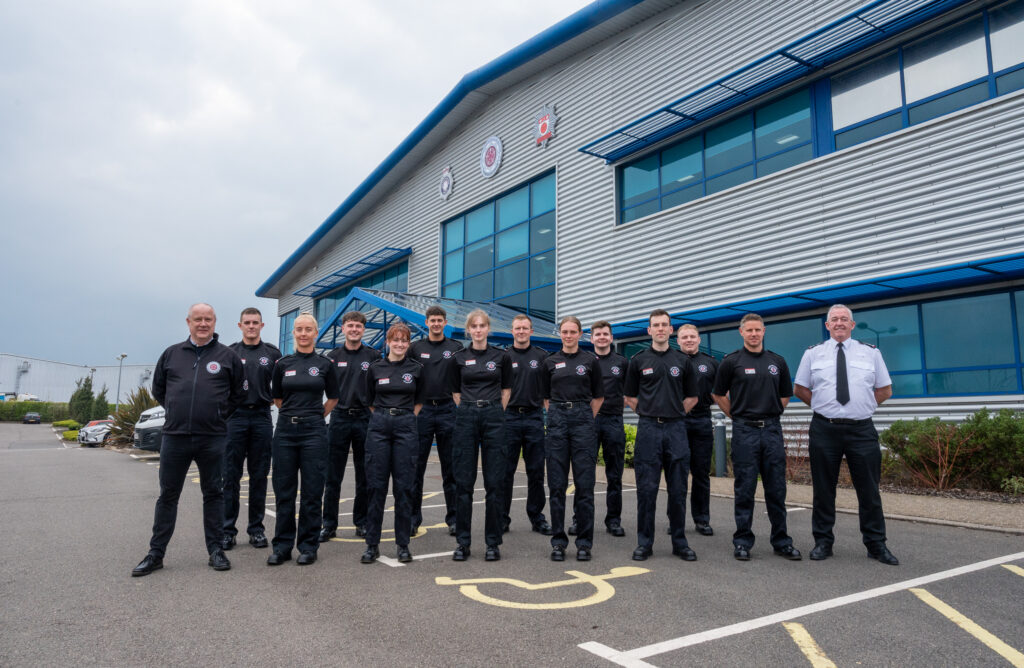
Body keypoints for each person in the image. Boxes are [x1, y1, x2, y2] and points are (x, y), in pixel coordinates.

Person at [132, 303, 245, 576]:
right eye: (198, 319)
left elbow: (238, 394)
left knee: (214, 494)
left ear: (215, 322)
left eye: (208, 319)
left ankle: (216, 550)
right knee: (168, 496)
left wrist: (218, 414)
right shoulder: (171, 354)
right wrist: (175, 410)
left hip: (213, 438)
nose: (203, 323)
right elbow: (159, 389)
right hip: (175, 437)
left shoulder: (228, 356)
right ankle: (155, 554)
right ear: (188, 322)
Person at [794, 304, 898, 565]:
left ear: (852, 325)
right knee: (823, 490)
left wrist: (861, 407)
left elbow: (884, 390)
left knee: (869, 491)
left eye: (844, 319)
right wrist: (823, 407)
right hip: (824, 429)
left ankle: (876, 545)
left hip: (861, 429)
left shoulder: (871, 353)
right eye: (834, 319)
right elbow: (800, 388)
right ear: (827, 326)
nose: (839, 323)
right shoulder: (813, 354)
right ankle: (823, 542)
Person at [711, 313, 801, 562]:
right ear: (741, 332)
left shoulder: (777, 361)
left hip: (772, 430)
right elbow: (718, 395)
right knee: (745, 488)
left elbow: (785, 395)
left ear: (764, 331)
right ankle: (742, 541)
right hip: (744, 431)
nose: (753, 334)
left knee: (776, 489)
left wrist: (772, 412)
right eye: (749, 330)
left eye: (757, 330)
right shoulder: (731, 362)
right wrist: (736, 416)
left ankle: (781, 541)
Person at [624, 310, 699, 561]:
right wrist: (648, 414)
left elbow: (692, 397)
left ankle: (680, 543)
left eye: (664, 325)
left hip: (676, 430)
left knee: (678, 490)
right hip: (648, 430)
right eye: (655, 325)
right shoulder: (638, 360)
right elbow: (630, 397)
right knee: (647, 490)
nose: (660, 329)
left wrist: (675, 414)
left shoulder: (682, 360)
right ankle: (645, 543)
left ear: (670, 330)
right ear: (649, 330)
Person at [266, 313, 340, 566]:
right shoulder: (282, 364)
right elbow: (277, 398)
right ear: (294, 333)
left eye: (309, 329)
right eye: (299, 329)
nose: (304, 333)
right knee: (284, 492)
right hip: (286, 432)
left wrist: (314, 416)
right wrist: (294, 414)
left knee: (311, 491)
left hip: (314, 433)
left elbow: (333, 398)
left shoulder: (325, 363)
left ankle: (308, 546)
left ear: (316, 333)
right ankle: (282, 546)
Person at [360, 323, 425, 564]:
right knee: (376, 487)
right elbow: (369, 399)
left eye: (404, 340)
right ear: (387, 342)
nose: (399, 344)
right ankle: (372, 544)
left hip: (406, 426)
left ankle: (403, 544)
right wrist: (385, 416)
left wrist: (404, 417)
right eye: (395, 340)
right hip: (379, 426)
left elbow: (419, 400)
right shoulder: (375, 368)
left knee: (404, 487)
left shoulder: (416, 369)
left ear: (408, 343)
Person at [451, 310, 512, 561]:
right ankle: (463, 543)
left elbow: (506, 389)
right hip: (466, 416)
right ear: (468, 330)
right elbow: (455, 392)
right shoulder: (458, 358)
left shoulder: (501, 356)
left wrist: (493, 410)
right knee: (464, 484)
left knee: (494, 483)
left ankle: (492, 543)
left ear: (488, 329)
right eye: (473, 326)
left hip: (494, 416)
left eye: (482, 326)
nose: (478, 330)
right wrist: (469, 408)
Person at [542, 316, 603, 562]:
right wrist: (559, 414)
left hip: (582, 421)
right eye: (564, 332)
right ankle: (558, 542)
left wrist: (584, 417)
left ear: (580, 334)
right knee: (557, 486)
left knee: (585, 485)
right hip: (557, 419)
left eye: (572, 332)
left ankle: (584, 543)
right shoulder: (550, 362)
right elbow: (546, 398)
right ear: (560, 334)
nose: (568, 336)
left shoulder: (590, 361)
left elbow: (598, 397)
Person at [222, 307, 281, 552]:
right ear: (240, 326)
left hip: (261, 416)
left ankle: (256, 530)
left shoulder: (273, 353)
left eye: (255, 322)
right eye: (247, 322)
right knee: (230, 476)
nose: (251, 326)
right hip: (234, 418)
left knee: (258, 476)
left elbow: (282, 386)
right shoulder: (229, 352)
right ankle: (227, 530)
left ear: (262, 325)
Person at [320, 311, 381, 542]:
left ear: (363, 329)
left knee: (364, 474)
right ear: (343, 328)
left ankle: (362, 522)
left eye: (358, 326)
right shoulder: (332, 357)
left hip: (365, 418)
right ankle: (329, 524)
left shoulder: (373, 356)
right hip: (339, 418)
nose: (354, 329)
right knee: (332, 475)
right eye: (350, 326)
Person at [410, 305, 462, 536]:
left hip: (447, 410)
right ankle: (412, 519)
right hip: (422, 412)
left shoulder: (456, 348)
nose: (436, 324)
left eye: (440, 320)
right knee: (415, 468)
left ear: (445, 322)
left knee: (451, 469)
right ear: (426, 322)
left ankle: (454, 519)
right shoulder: (415, 348)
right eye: (433, 320)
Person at [502, 314, 552, 536]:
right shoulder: (503, 357)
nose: (521, 331)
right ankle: (502, 519)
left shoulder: (542, 357)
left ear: (531, 331)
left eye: (525, 328)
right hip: (509, 419)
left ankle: (537, 517)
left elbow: (549, 392)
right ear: (512, 331)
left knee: (536, 472)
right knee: (505, 473)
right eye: (517, 328)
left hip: (533, 418)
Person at [677, 324, 719, 537]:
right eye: (684, 337)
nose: (689, 340)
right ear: (678, 340)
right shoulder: (672, 360)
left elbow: (722, 389)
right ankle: (676, 521)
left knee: (701, 474)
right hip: (677, 422)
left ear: (699, 339)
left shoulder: (710, 363)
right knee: (678, 474)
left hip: (702, 420)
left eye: (692, 336)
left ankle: (702, 520)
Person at [591, 320, 629, 537]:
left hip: (614, 421)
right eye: (598, 334)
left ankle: (613, 520)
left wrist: (615, 405)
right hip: (590, 422)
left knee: (614, 474)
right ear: (592, 338)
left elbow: (630, 392)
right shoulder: (586, 361)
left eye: (605, 334)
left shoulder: (622, 363)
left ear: (611, 337)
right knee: (584, 474)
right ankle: (581, 519)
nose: (602, 337)